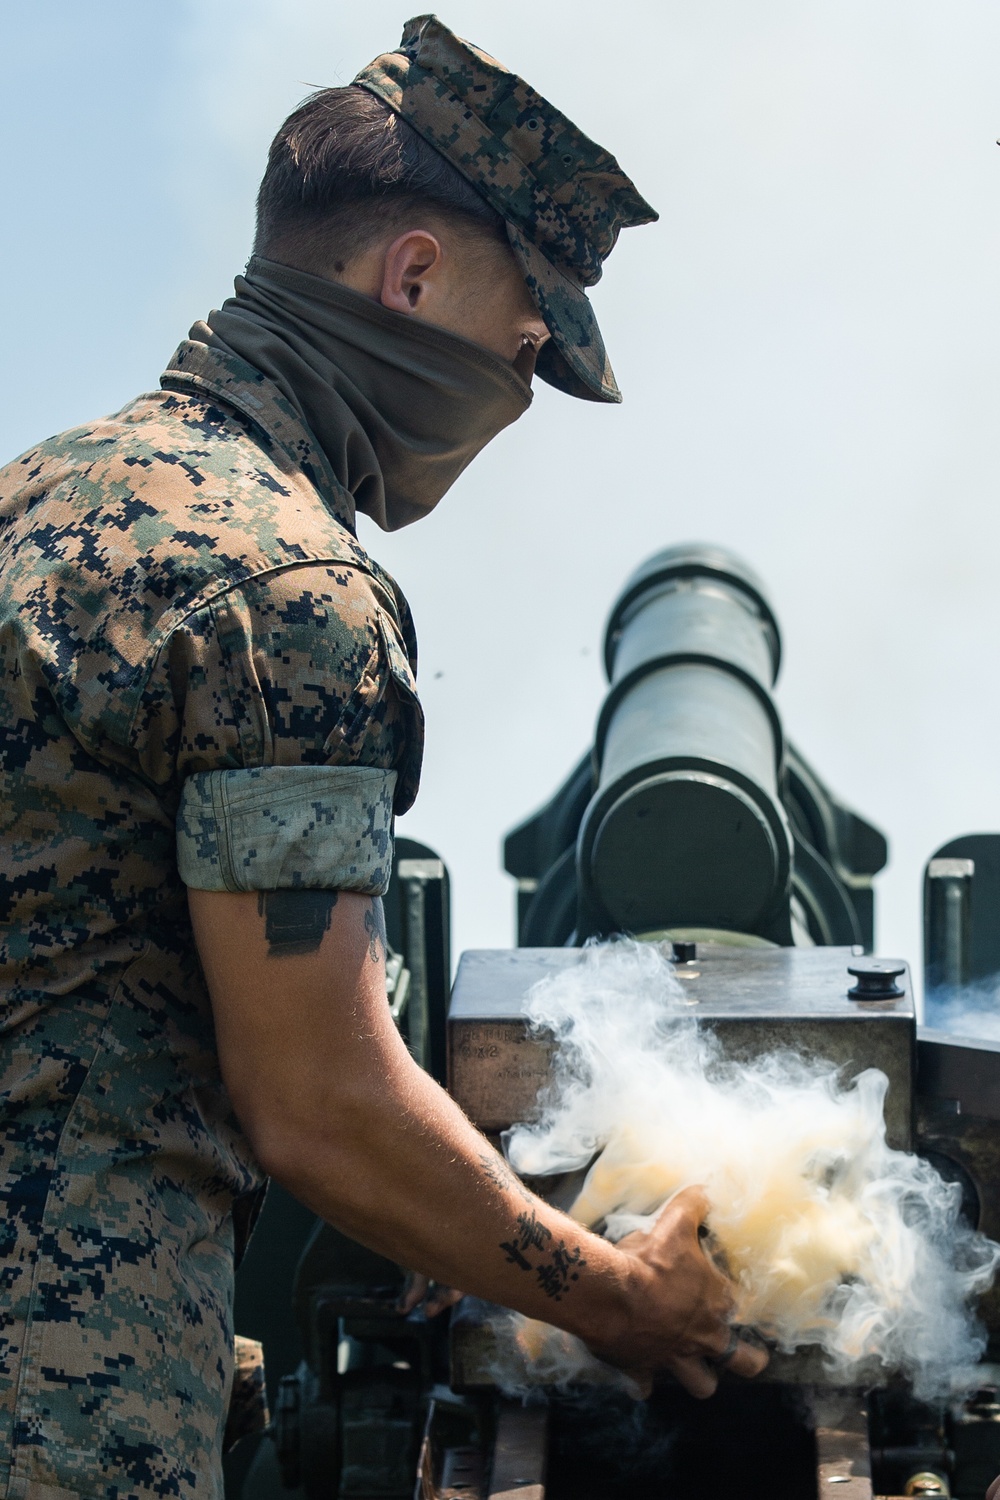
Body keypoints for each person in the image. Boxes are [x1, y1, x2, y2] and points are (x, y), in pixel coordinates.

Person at [0, 16, 767, 1500]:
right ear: (410, 278)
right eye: (524, 342)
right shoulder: (284, 593)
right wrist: (615, 1298)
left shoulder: (36, 500)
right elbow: (323, 1105)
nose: (515, 393)